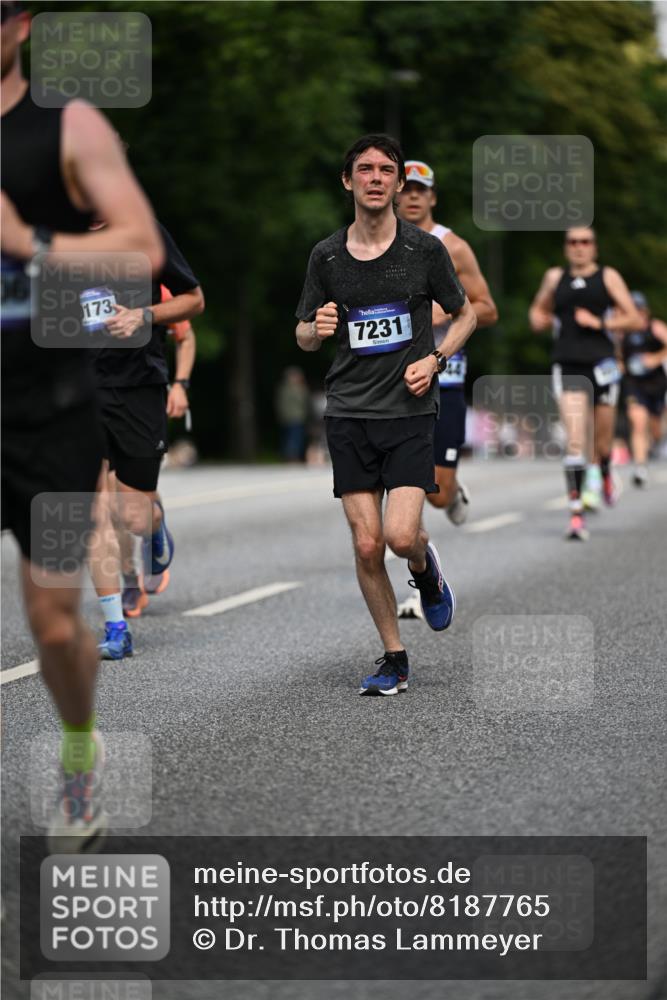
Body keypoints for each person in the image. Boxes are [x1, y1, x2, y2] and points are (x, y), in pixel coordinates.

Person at [1, 1, 163, 849]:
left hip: (48, 411)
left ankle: (76, 753)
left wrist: (27, 242)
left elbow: (140, 246)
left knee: (55, 622)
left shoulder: (66, 125)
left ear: (21, 24)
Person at [295, 134, 476, 695]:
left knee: (399, 536)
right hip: (349, 412)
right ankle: (394, 657)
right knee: (367, 544)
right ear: (347, 181)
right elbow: (303, 334)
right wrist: (315, 328)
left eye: (386, 170)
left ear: (398, 184)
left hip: (409, 411)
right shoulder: (327, 256)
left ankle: (425, 568)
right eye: (365, 169)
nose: (375, 178)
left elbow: (466, 314)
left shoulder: (424, 250)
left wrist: (436, 359)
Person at [88, 239, 203, 654]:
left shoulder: (141, 234)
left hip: (136, 387)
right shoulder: (52, 234)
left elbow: (190, 317)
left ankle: (153, 527)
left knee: (132, 515)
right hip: (78, 391)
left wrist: (180, 384)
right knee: (93, 510)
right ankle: (115, 625)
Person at [395, 160, 498, 525]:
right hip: (394, 376)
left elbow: (488, 309)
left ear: (432, 198)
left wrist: (447, 311)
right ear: (393, 195)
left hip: (446, 377)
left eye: (420, 191)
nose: (413, 197)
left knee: (438, 493)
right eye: (406, 190)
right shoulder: (379, 244)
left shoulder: (453, 246)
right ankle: (406, 536)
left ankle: (453, 492)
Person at [529, 227, 641, 539]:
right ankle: (576, 514)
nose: (579, 247)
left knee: (602, 444)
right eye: (573, 242)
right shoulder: (555, 278)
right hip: (567, 365)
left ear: (594, 247)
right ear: (566, 247)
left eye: (585, 241)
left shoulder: (608, 277)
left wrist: (600, 322)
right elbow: (538, 310)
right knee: (576, 440)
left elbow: (634, 319)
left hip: (603, 365)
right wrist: (538, 319)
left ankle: (604, 471)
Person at [621, 291, 667, 486]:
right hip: (634, 384)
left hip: (656, 384)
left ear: (645, 311)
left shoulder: (655, 327)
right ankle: (640, 467)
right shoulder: (622, 331)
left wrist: (655, 359)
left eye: (638, 310)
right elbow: (616, 354)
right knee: (638, 422)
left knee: (656, 429)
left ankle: (656, 442)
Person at [275, 366, 310, 462]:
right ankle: (291, 457)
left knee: (293, 437)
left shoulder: (284, 388)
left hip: (293, 416)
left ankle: (291, 456)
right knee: (294, 438)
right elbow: (302, 401)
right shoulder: (296, 389)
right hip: (293, 416)